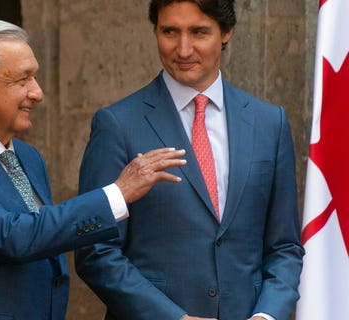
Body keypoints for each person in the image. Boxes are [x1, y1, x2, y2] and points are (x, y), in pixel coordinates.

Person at [0, 18, 186, 320]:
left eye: (35, 78)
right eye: (23, 80)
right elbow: (11, 236)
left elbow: (46, 241)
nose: (37, 93)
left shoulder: (28, 156)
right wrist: (116, 194)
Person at [75, 1, 304, 320]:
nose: (183, 49)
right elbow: (95, 251)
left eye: (199, 32)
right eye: (170, 31)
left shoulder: (270, 122)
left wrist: (267, 315)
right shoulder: (117, 124)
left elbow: (285, 248)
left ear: (226, 32)